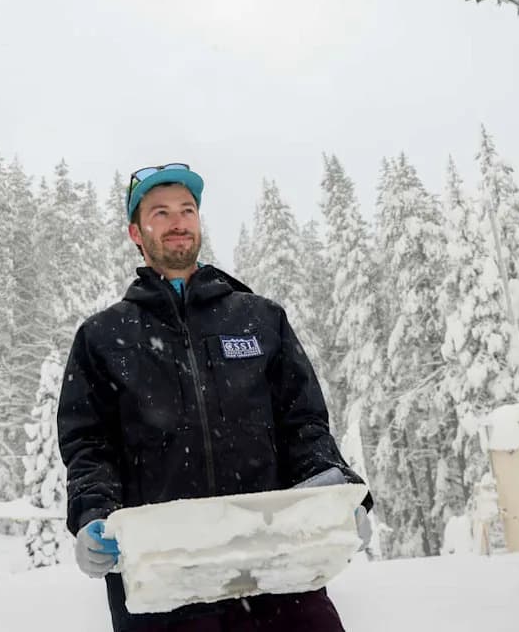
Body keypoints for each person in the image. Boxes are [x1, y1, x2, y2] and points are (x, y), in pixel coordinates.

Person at [58, 163, 373, 632]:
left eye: (187, 210)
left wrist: (335, 491)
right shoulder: (103, 337)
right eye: (160, 213)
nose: (178, 221)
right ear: (135, 232)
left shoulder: (259, 319)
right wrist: (93, 515)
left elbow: (304, 425)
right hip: (165, 585)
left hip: (277, 577)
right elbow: (89, 446)